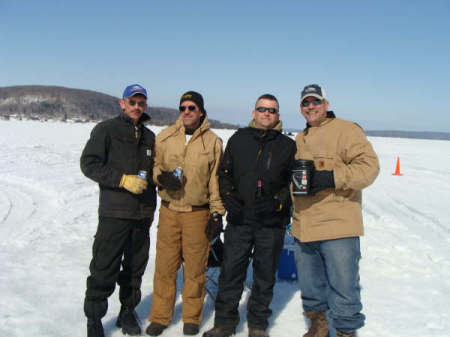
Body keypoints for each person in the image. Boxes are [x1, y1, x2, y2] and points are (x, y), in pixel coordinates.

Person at [203, 94, 296, 337]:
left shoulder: (287, 146)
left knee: (264, 275)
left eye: (272, 110)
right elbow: (224, 173)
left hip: (271, 223)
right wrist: (229, 198)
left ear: (278, 115)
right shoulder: (238, 139)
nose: (267, 113)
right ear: (254, 113)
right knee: (231, 271)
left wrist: (278, 203)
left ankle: (257, 325)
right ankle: (224, 323)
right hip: (240, 218)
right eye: (262, 109)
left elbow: (292, 183)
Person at [291, 84, 379, 337]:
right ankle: (319, 326)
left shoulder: (346, 131)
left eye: (315, 102)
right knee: (311, 287)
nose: (311, 107)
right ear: (301, 108)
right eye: (306, 103)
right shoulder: (300, 137)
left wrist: (330, 178)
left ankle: (346, 332)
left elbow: (369, 169)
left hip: (337, 225)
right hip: (304, 226)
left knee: (344, 287)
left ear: (326, 105)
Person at [146, 91, 225, 336]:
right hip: (170, 211)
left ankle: (191, 316)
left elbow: (216, 181)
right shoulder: (165, 136)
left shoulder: (212, 142)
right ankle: (160, 316)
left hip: (196, 213)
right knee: (165, 268)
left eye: (192, 107)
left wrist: (216, 213)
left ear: (201, 111)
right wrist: (161, 177)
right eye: (183, 107)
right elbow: (154, 166)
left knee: (195, 269)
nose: (187, 112)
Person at [80, 84, 157, 337]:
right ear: (122, 103)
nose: (137, 107)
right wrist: (122, 179)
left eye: (141, 103)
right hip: (114, 213)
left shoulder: (149, 137)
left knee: (135, 269)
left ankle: (127, 312)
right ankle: (94, 320)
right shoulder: (106, 130)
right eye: (132, 102)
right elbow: (89, 164)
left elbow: (153, 174)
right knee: (104, 268)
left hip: (142, 215)